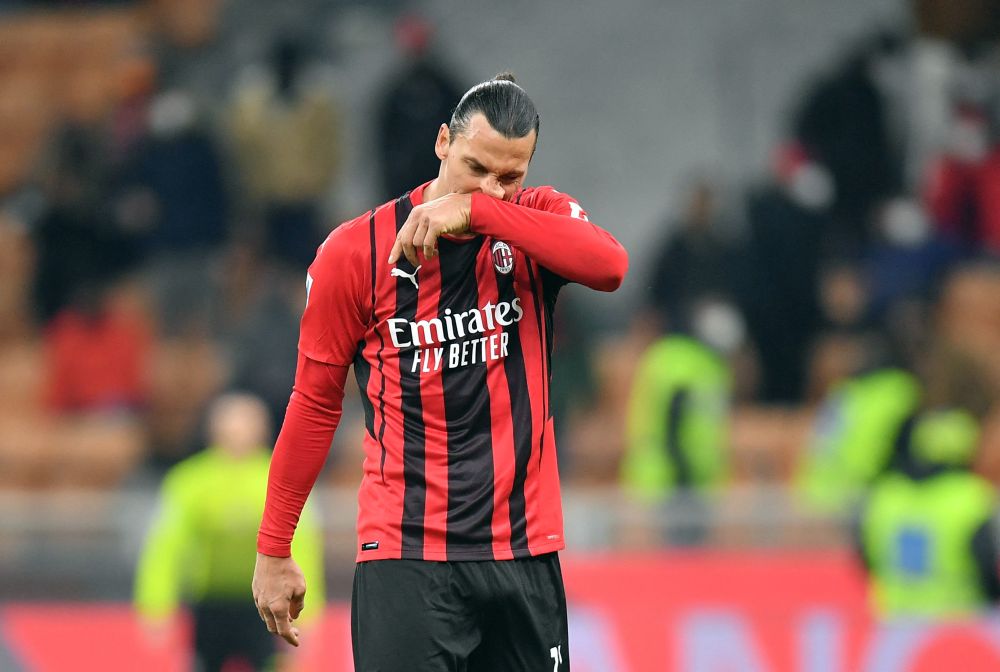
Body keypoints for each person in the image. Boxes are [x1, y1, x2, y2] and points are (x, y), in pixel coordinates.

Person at [252, 72, 628, 671]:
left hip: (523, 551)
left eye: (511, 176)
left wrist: (480, 212)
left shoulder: (535, 222)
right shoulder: (354, 253)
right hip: (407, 554)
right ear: (441, 142)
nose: (494, 188)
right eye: (475, 168)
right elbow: (314, 403)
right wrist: (274, 547)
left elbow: (609, 265)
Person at [136, 393, 325, 671]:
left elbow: (303, 546)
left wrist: (307, 612)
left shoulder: (280, 479)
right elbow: (166, 547)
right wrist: (156, 604)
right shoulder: (190, 481)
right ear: (214, 430)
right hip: (209, 604)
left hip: (266, 606)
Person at [856, 408, 1000, 618]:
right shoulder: (972, 496)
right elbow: (987, 567)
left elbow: (865, 557)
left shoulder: (885, 494)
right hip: (960, 624)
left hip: (893, 623)